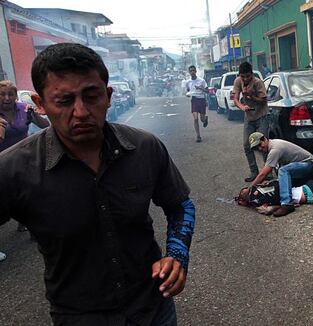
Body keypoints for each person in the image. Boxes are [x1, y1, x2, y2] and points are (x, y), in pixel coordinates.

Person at [0, 43, 195, 326]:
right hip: (79, 317)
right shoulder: (14, 168)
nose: (81, 112)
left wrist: (177, 255)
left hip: (154, 309)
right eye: (64, 101)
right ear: (39, 104)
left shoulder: (145, 148)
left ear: (109, 96)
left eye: (91, 96)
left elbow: (180, 205)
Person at [0, 80, 49, 236]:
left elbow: (45, 125)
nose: (7, 98)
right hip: (2, 161)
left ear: (16, 96)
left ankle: (27, 223)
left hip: (24, 157)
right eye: (2, 94)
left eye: (11, 94)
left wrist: (34, 114)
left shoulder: (23, 109)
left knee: (30, 191)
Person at [249, 132, 313, 217]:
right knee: (280, 180)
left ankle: (287, 204)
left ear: (264, 139)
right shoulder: (272, 145)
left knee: (283, 171)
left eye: (260, 145)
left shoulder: (275, 149)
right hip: (301, 166)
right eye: (257, 148)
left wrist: (250, 188)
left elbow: (263, 174)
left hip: (308, 164)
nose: (260, 148)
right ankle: (287, 200)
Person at [233, 61, 269, 182]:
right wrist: (242, 107)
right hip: (249, 117)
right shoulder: (238, 81)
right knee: (246, 144)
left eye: (248, 76)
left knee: (264, 144)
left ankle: (267, 171)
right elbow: (235, 99)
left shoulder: (258, 82)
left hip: (261, 115)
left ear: (252, 74)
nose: (245, 79)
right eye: (243, 76)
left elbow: (264, 100)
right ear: (239, 75)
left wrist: (252, 96)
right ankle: (254, 171)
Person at [236, 180, 313, 215]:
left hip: (306, 190)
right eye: (242, 192)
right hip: (307, 191)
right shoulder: (258, 197)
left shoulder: (258, 198)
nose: (243, 191)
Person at [186, 65, 208, 142]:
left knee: (202, 119)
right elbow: (188, 90)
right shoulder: (188, 82)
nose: (192, 72)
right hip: (194, 100)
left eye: (193, 70)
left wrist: (200, 88)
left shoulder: (201, 81)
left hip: (201, 100)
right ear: (189, 72)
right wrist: (188, 94)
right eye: (190, 71)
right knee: (195, 119)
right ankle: (198, 136)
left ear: (196, 71)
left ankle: (205, 119)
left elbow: (207, 91)